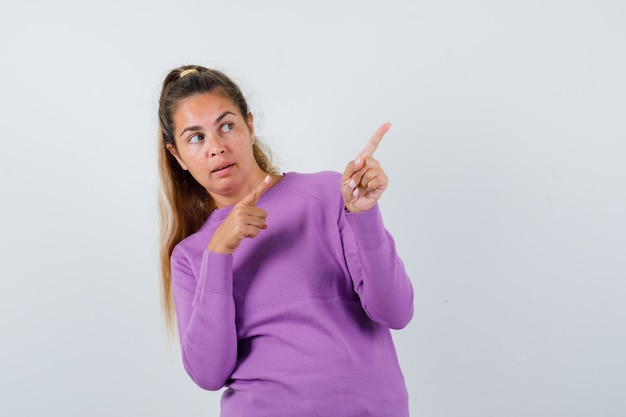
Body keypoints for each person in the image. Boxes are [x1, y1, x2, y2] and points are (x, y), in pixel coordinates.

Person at [157, 65, 414, 417]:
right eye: (196, 137)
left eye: (226, 126)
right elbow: (208, 374)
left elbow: (395, 312)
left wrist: (364, 215)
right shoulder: (191, 255)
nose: (215, 148)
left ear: (249, 126)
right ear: (177, 156)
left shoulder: (329, 194)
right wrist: (218, 253)